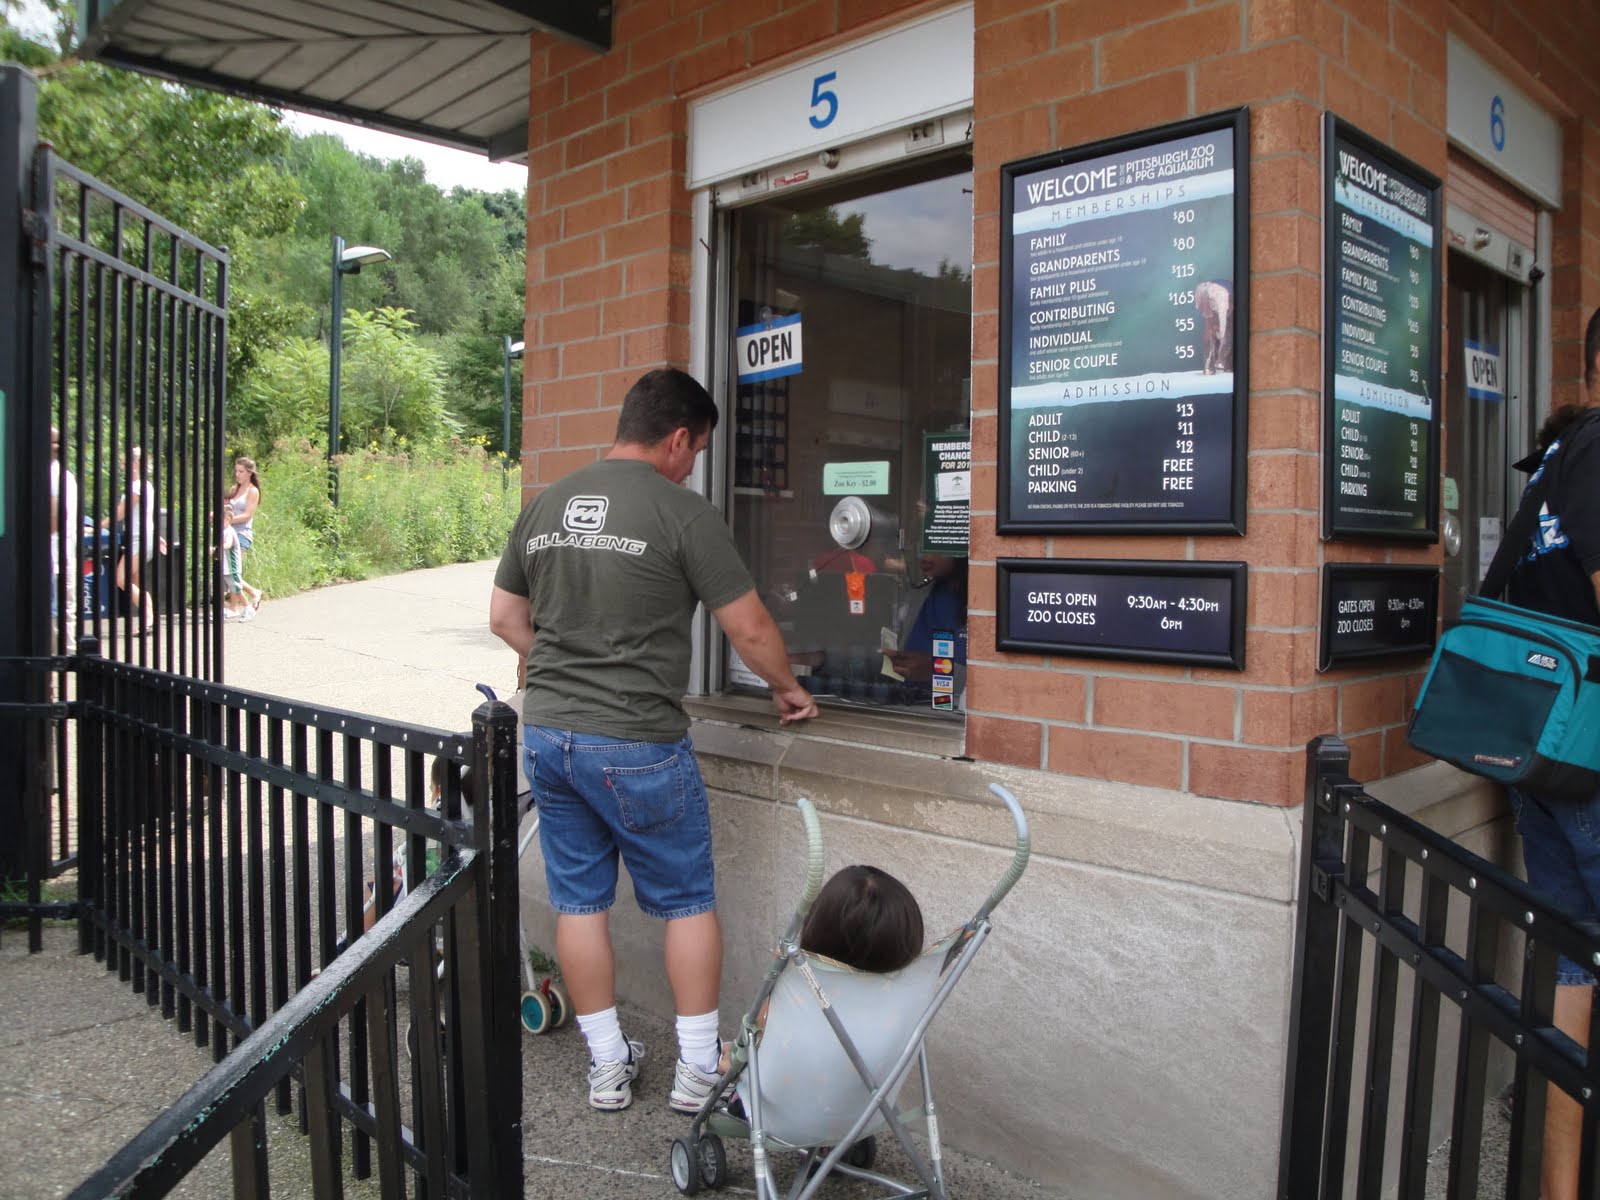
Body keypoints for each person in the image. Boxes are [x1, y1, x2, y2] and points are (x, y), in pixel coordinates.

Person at [488, 367, 817, 1114]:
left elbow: (506, 618)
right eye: (695, 449)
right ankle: (699, 1068)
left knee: (580, 904)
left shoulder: (546, 504)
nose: (692, 464)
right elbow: (751, 627)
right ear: (677, 438)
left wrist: (564, 671)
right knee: (685, 901)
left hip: (547, 735)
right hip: (635, 740)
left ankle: (608, 1066)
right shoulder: (682, 513)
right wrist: (786, 688)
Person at [1504, 306, 1600, 1200]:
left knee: (1573, 962)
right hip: (1593, 759)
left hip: (1537, 749)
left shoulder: (1551, 467)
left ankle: (1558, 1187)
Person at [716, 864, 924, 1077]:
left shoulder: (794, 987)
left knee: (737, 1055)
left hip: (778, 1105)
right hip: (869, 1105)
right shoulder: (897, 1001)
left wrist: (735, 1056)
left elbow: (753, 1045)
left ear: (818, 927)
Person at [105, 446, 164, 630]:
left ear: (135, 463)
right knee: (135, 582)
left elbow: (120, 513)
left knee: (121, 579)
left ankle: (149, 614)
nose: (122, 467)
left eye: (124, 463)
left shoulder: (137, 486)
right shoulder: (146, 486)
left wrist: (97, 527)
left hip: (139, 538)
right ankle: (148, 620)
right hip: (141, 537)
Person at [48, 426, 78, 649]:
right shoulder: (67, 475)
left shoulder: (52, 474)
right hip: (65, 550)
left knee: (51, 607)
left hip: (53, 550)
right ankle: (66, 651)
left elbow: (60, 514)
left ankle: (53, 656)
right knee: (65, 606)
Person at [223, 457, 263, 615]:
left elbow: (247, 515)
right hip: (228, 532)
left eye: (241, 471)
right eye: (236, 471)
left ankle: (251, 593)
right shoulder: (234, 489)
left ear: (249, 473)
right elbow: (227, 509)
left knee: (233, 571)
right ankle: (235, 606)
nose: (237, 474)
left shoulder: (253, 491)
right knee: (229, 570)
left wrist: (228, 520)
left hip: (242, 534)